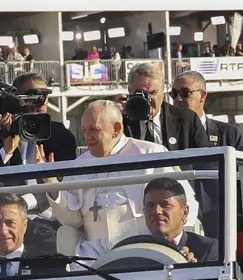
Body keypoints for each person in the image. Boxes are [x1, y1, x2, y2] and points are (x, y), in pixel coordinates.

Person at [47, 100, 200, 258]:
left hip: (142, 247)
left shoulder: (150, 154)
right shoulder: (79, 165)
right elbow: (72, 220)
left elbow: (185, 202)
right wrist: (51, 183)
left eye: (94, 129)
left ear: (116, 129)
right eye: (84, 130)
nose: (87, 137)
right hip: (92, 253)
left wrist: (181, 243)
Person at [123, 61, 208, 150]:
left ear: (163, 91)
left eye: (153, 93)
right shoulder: (121, 122)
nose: (148, 98)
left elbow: (206, 157)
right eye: (141, 93)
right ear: (130, 91)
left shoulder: (187, 120)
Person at [142, 178, 218, 263]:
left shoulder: (207, 250)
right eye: (150, 206)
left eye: (166, 205)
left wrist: (193, 269)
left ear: (184, 212)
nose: (157, 211)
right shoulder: (135, 250)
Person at [171, 70, 243, 150]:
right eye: (174, 93)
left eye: (185, 92)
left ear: (202, 96)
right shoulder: (166, 133)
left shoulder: (229, 134)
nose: (178, 99)